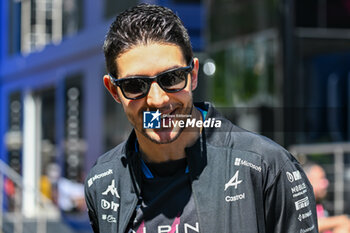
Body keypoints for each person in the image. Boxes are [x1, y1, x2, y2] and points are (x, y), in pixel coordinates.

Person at [84, 4, 318, 233]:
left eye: (172, 77)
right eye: (135, 85)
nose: (157, 100)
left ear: (193, 75)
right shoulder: (103, 181)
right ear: (114, 91)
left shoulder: (266, 167)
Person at [304, 162, 350, 233]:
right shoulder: (301, 205)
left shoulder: (321, 203)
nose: (326, 182)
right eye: (321, 178)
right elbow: (305, 225)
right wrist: (341, 220)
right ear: (308, 181)